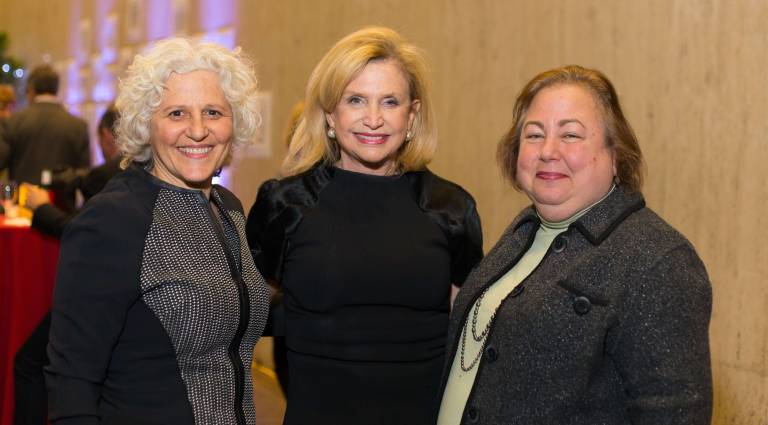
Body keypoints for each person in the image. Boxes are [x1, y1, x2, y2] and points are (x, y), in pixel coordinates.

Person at [437, 65, 712, 424]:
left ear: (615, 154)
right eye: (534, 135)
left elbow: (674, 412)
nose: (548, 151)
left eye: (570, 135)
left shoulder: (658, 259)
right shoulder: (526, 230)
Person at [246, 27, 483, 425]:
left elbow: (470, 337)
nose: (373, 119)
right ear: (329, 116)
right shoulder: (285, 203)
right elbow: (240, 313)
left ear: (412, 115)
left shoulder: (450, 207)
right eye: (355, 100)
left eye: (390, 102)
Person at [45, 38, 270, 424]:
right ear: (146, 125)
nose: (198, 131)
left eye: (213, 112)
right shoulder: (112, 221)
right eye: (177, 113)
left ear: (234, 122)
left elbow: (233, 308)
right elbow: (71, 379)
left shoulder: (227, 207)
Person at [12, 106, 122, 425]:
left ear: (105, 135)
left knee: (31, 364)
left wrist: (42, 209)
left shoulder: (108, 177)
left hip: (98, 292)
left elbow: (81, 234)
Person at [0, 65, 90, 195]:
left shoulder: (13, 122)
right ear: (56, 89)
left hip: (21, 209)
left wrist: (6, 197)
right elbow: (84, 176)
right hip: (62, 210)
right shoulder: (79, 126)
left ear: (31, 89)